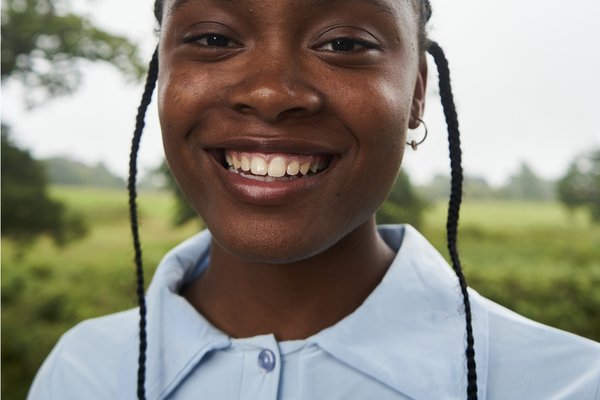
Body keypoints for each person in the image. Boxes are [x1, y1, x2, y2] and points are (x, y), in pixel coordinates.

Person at [28, 1, 600, 399]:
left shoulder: (568, 386)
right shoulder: (83, 374)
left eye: (345, 43)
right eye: (212, 38)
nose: (272, 93)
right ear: (163, 76)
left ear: (417, 92)